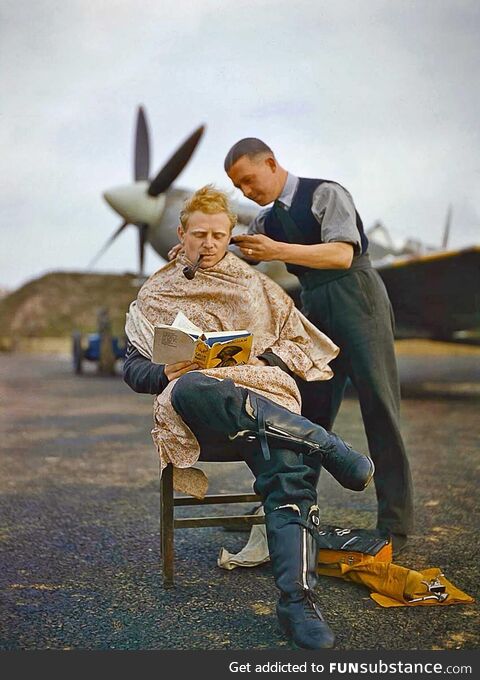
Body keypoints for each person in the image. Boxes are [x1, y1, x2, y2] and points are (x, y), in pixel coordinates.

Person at [123, 185, 374, 650]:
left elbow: (300, 347)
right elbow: (132, 367)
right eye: (199, 234)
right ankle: (324, 443)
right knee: (197, 385)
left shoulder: (257, 285)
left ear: (230, 234)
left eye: (219, 235)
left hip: (262, 402)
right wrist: (164, 370)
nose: (209, 243)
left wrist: (261, 361)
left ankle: (297, 600)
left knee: (289, 471)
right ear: (182, 233)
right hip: (197, 412)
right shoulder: (156, 292)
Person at [223, 139, 414, 556]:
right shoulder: (266, 220)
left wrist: (279, 251)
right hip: (313, 309)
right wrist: (198, 248)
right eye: (238, 188)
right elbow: (239, 255)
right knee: (308, 418)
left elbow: (342, 254)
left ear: (271, 164)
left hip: (357, 300)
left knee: (379, 409)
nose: (246, 193)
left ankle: (395, 526)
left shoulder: (326, 193)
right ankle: (292, 515)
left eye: (249, 181)